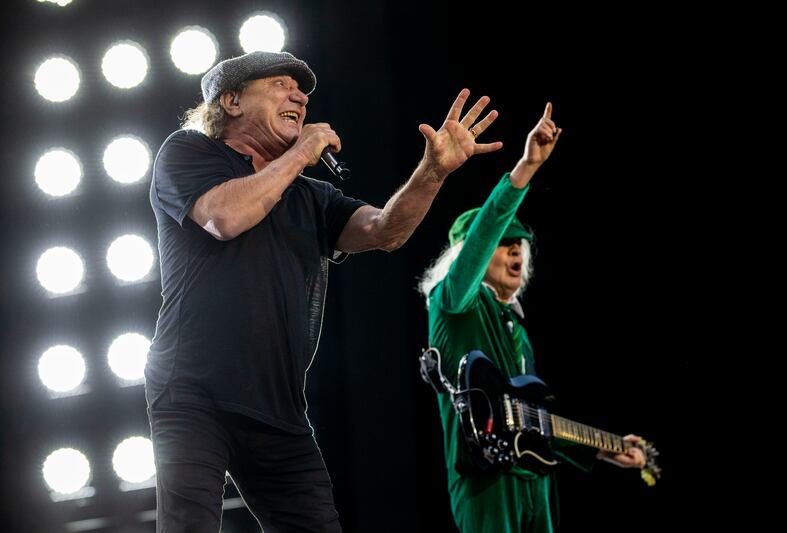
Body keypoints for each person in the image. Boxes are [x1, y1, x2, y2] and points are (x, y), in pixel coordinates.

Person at [145, 50, 504, 532]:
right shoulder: (188, 152)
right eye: (279, 85)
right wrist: (298, 155)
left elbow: (384, 230)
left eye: (303, 93)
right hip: (192, 391)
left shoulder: (312, 196)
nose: (299, 96)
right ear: (230, 101)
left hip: (280, 406)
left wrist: (432, 172)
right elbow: (222, 218)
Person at [418, 103, 646, 533]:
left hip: (535, 481)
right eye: (505, 244)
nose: (515, 251)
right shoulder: (453, 303)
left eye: (520, 244)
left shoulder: (518, 332)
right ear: (472, 253)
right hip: (485, 479)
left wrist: (601, 448)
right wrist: (525, 169)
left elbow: (533, 417)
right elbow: (485, 230)